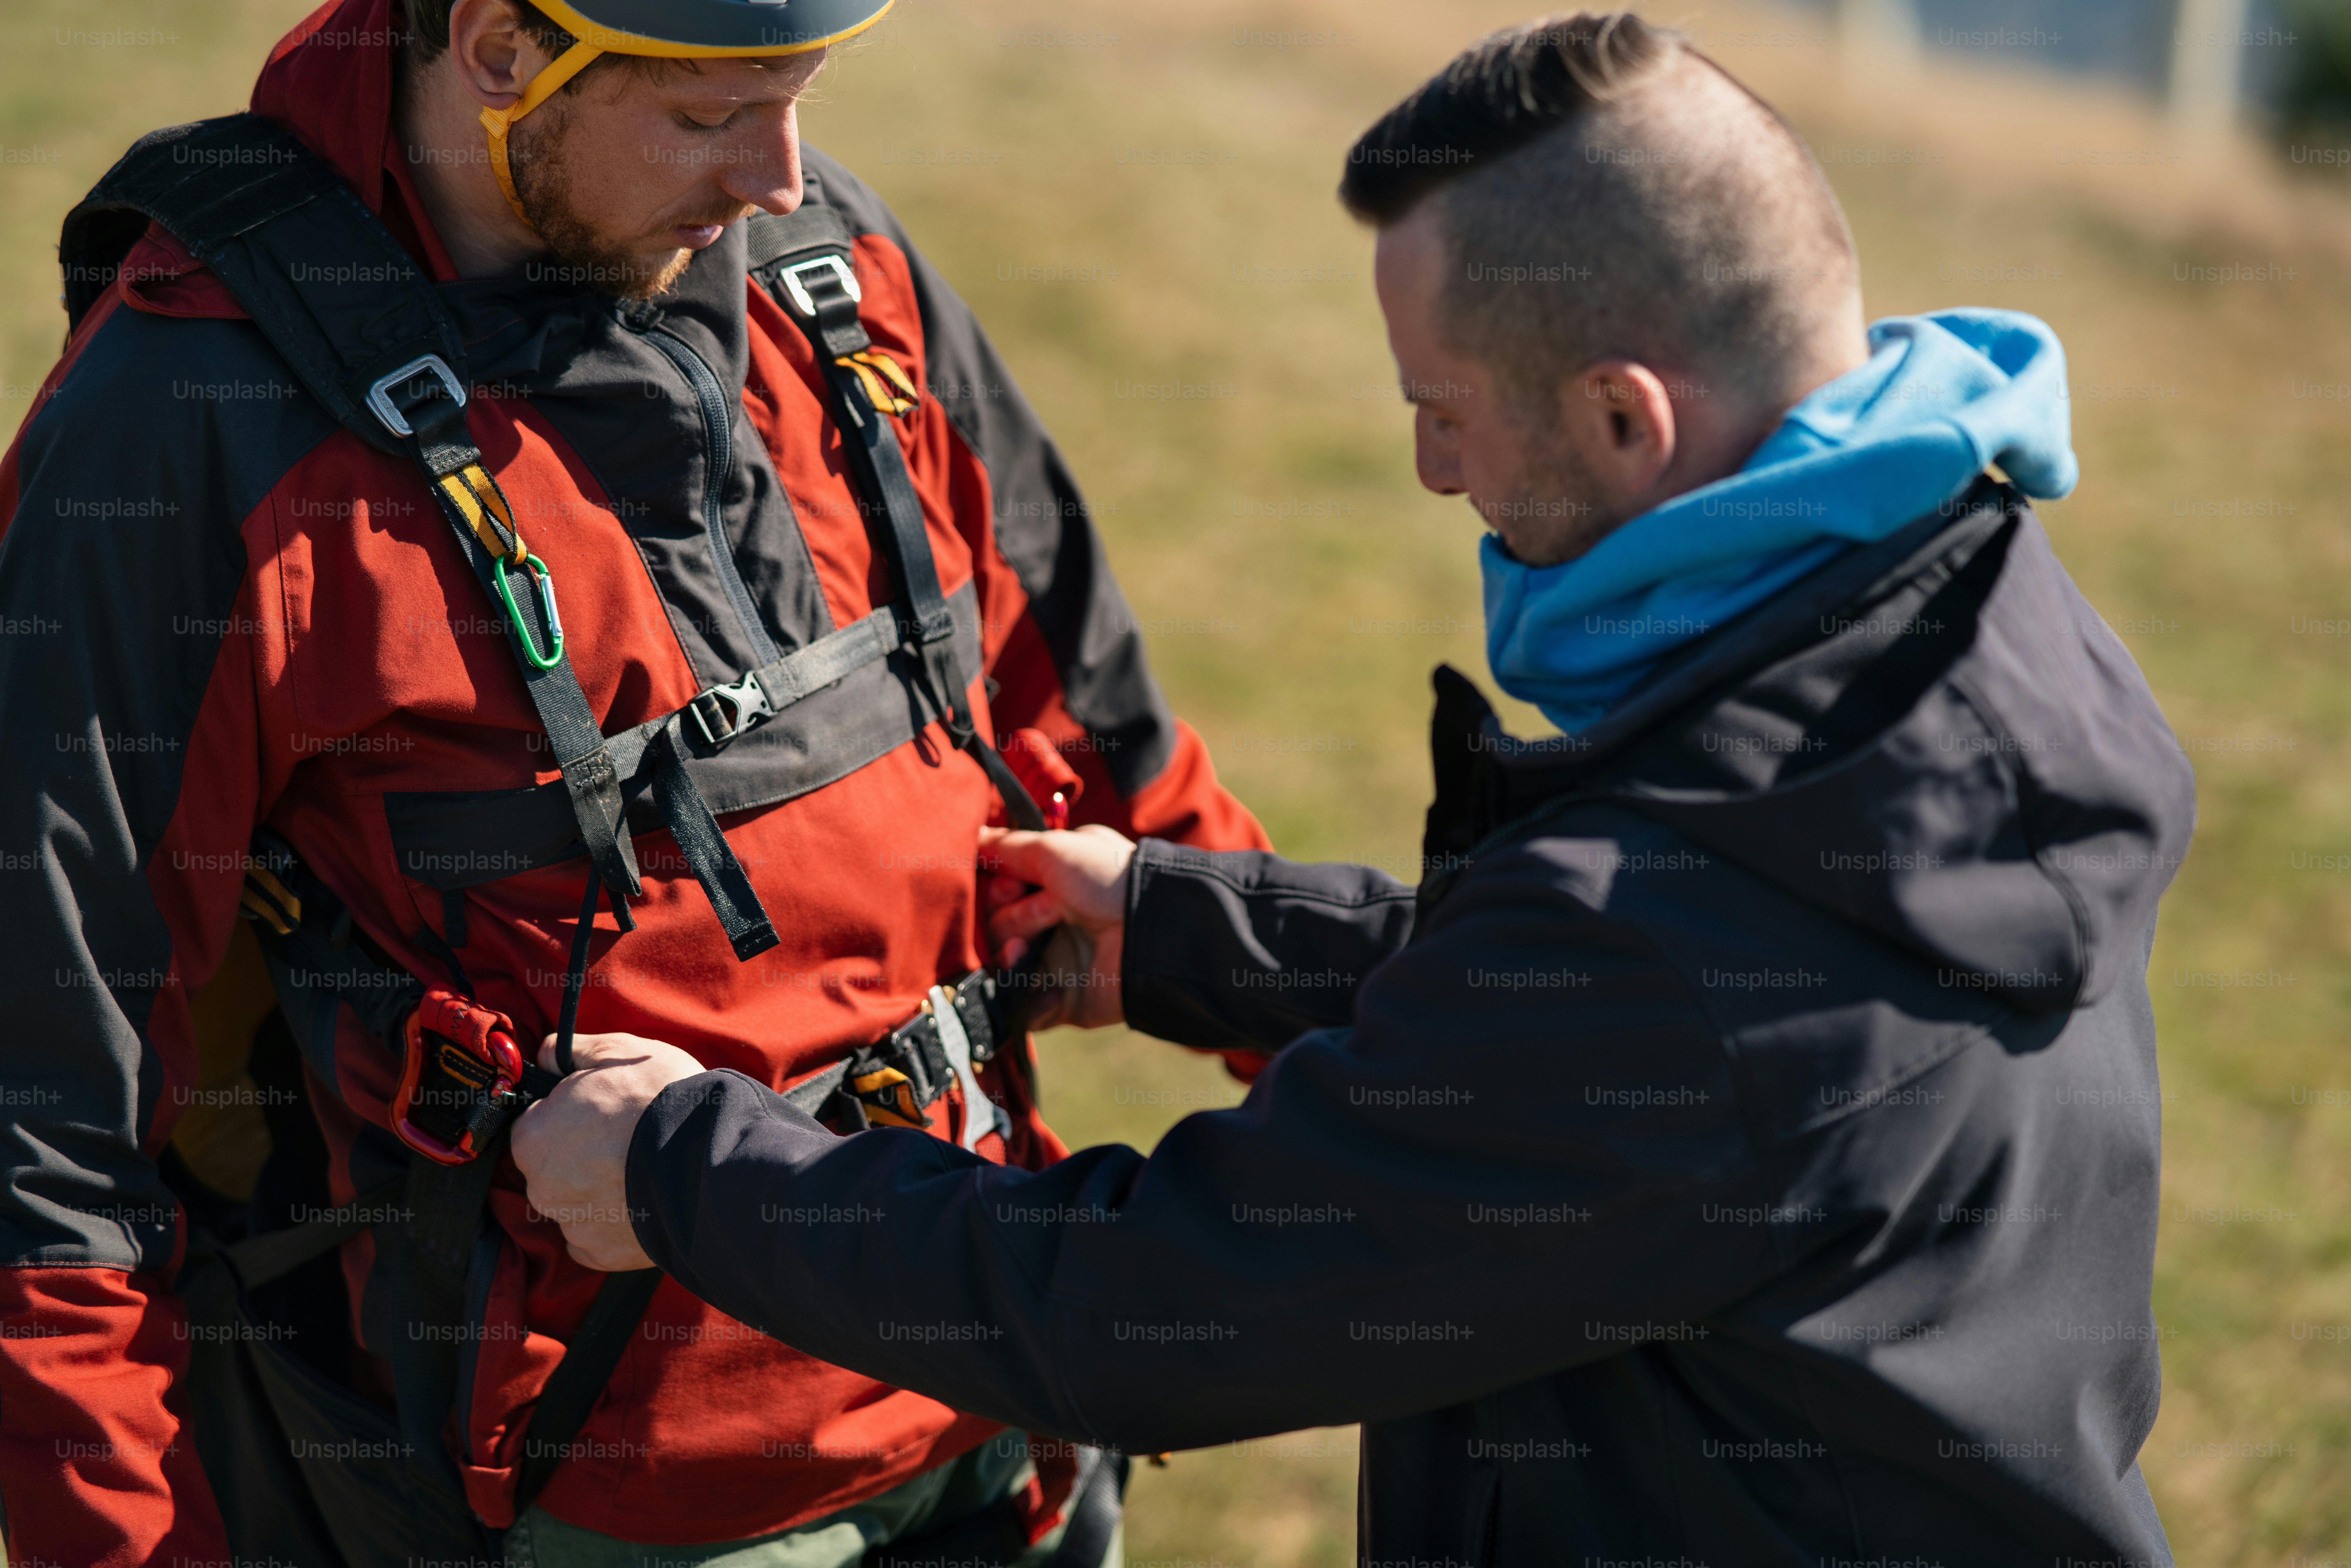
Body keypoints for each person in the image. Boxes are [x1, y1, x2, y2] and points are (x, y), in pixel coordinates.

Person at [513, 13, 2195, 1565]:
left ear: (1625, 415)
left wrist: (685, 1166)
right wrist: (1202, 934)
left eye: (1441, 409)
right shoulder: (1969, 617)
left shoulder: (1684, 963)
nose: (1431, 468)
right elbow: (1642, 1040)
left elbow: (1159, 1304)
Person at [0, 0, 1272, 1564]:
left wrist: (1378, 1121)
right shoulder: (186, 417)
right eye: (707, 115)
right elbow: (48, 1096)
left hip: (997, 1387)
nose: (781, 176)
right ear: (494, 50)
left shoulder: (839, 279)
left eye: (798, 99)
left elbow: (1105, 747)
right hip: (605, 1501)